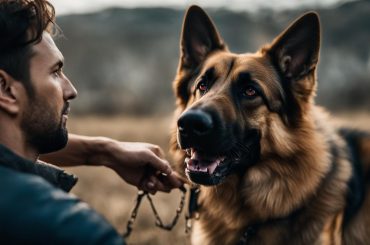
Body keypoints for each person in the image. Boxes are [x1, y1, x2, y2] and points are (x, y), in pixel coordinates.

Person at [0, 0, 183, 244]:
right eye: (55, 72)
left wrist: (102, 151)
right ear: (5, 89)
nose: (71, 89)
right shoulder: (69, 229)